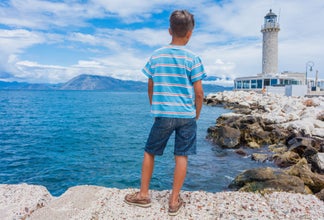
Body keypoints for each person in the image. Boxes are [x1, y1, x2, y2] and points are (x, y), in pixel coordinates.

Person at [124, 9, 206, 216]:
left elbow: (150, 86)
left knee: (150, 152)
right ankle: (173, 200)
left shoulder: (156, 56)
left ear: (169, 30)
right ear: (190, 33)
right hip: (186, 115)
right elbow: (199, 93)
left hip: (163, 114)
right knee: (182, 155)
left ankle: (143, 195)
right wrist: (195, 114)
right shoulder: (193, 58)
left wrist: (155, 107)